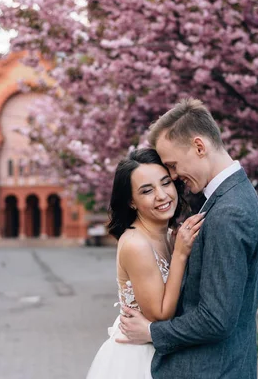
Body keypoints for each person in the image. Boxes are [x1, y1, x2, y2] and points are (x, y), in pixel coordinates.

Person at [117, 99, 258, 378]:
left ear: (199, 147)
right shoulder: (231, 196)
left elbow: (216, 320)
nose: (173, 176)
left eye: (172, 166)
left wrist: (150, 331)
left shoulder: (228, 211)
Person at [86, 148, 204, 379]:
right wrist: (180, 254)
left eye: (166, 183)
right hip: (138, 359)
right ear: (131, 201)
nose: (162, 195)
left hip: (166, 353)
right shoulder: (136, 244)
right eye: (147, 190)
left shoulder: (169, 233)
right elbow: (160, 314)